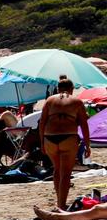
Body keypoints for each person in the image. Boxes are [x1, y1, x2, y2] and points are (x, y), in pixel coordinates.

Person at [39, 76, 92, 210]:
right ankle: (61, 205)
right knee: (66, 173)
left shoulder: (49, 100)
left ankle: (59, 202)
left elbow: (42, 122)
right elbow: (84, 125)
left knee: (57, 170)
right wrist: (87, 145)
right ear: (72, 89)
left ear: (58, 89)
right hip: (68, 137)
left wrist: (42, 142)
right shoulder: (77, 101)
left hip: (49, 138)